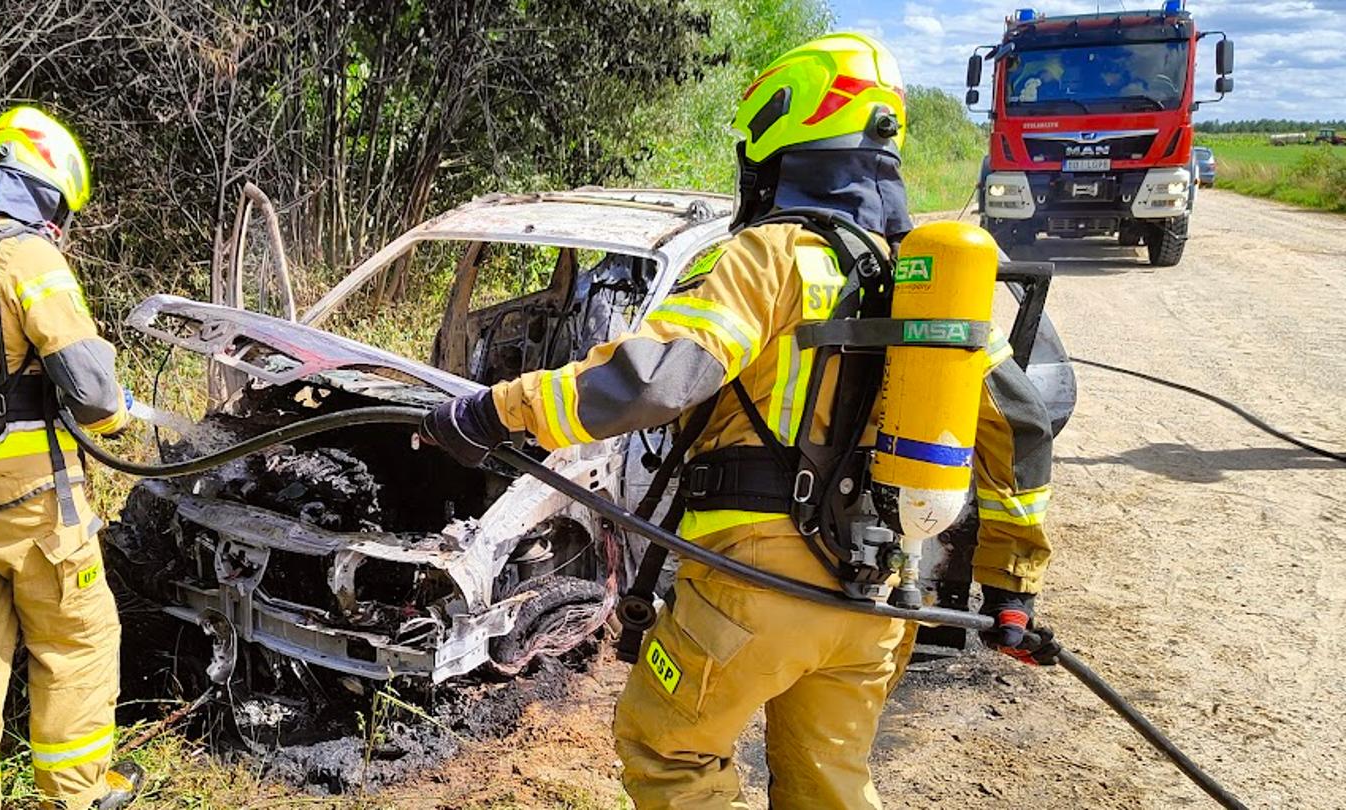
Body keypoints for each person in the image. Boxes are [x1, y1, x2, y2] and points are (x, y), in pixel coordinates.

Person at [421, 34, 1055, 809]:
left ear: (784, 139)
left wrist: (494, 410)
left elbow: (657, 375)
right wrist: (1012, 584)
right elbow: (1019, 426)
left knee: (669, 750)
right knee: (832, 784)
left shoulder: (776, 255)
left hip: (758, 586)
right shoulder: (928, 283)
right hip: (879, 601)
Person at [0, 106, 143, 810]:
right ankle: (75, 797)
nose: (61, 224)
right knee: (78, 642)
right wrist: (120, 411)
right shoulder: (28, 258)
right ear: (43, 188)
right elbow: (96, 393)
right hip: (31, 507)